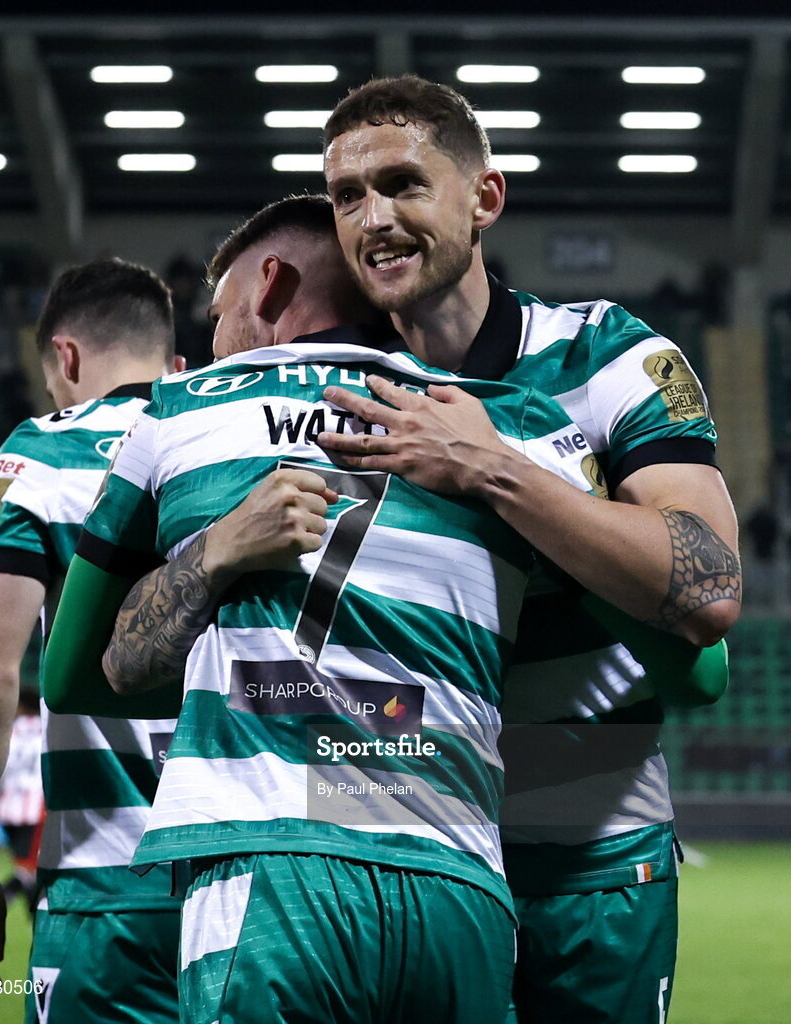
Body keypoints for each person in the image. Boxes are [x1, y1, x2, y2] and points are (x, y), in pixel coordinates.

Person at [43, 195, 612, 1024]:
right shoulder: (505, 421)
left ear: (270, 285)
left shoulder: (177, 414)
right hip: (456, 871)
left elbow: (89, 672)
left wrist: (217, 557)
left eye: (220, 311)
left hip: (265, 863)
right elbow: (688, 653)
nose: (210, 338)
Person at [318, 75, 741, 1024]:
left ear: (485, 199)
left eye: (403, 185)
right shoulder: (332, 394)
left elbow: (709, 587)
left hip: (590, 869)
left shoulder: (610, 359)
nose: (373, 219)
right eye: (348, 198)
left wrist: (492, 469)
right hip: (395, 866)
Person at [0, 257, 184, 1024]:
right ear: (176, 363)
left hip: (108, 883)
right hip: (252, 871)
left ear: (67, 357)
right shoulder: (231, 438)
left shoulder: (45, 449)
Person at [0, 688, 45, 914]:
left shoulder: (8, 731)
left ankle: (5, 903)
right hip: (37, 809)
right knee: (29, 869)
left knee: (26, 867)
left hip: (8, 810)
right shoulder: (48, 729)